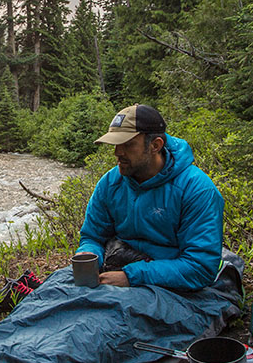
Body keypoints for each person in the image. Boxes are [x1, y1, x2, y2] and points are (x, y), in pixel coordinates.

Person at [77, 104, 224, 290]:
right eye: (115, 144)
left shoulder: (196, 189)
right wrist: (87, 255)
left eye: (127, 145)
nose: (117, 152)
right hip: (121, 263)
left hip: (169, 278)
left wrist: (131, 277)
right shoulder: (111, 183)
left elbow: (200, 266)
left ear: (155, 145)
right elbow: (92, 236)